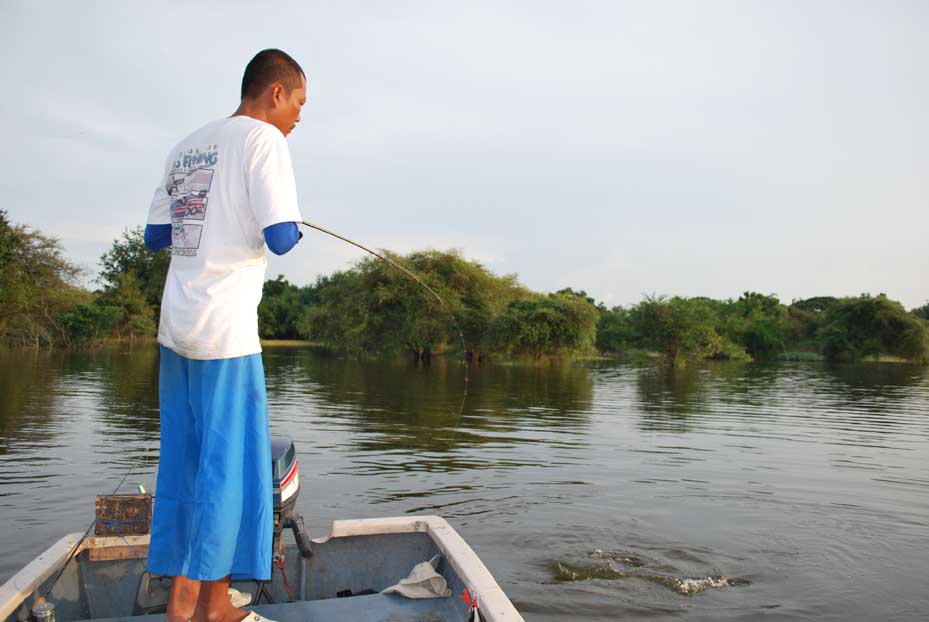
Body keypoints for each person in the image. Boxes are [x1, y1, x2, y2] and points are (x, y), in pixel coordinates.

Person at [143, 49, 307, 622]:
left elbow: (155, 236)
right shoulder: (266, 141)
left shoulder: (186, 145)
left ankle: (195, 595)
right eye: (299, 104)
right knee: (230, 469)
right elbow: (282, 236)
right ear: (275, 94)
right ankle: (201, 605)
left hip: (177, 330)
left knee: (185, 465)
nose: (299, 119)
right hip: (227, 335)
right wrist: (291, 218)